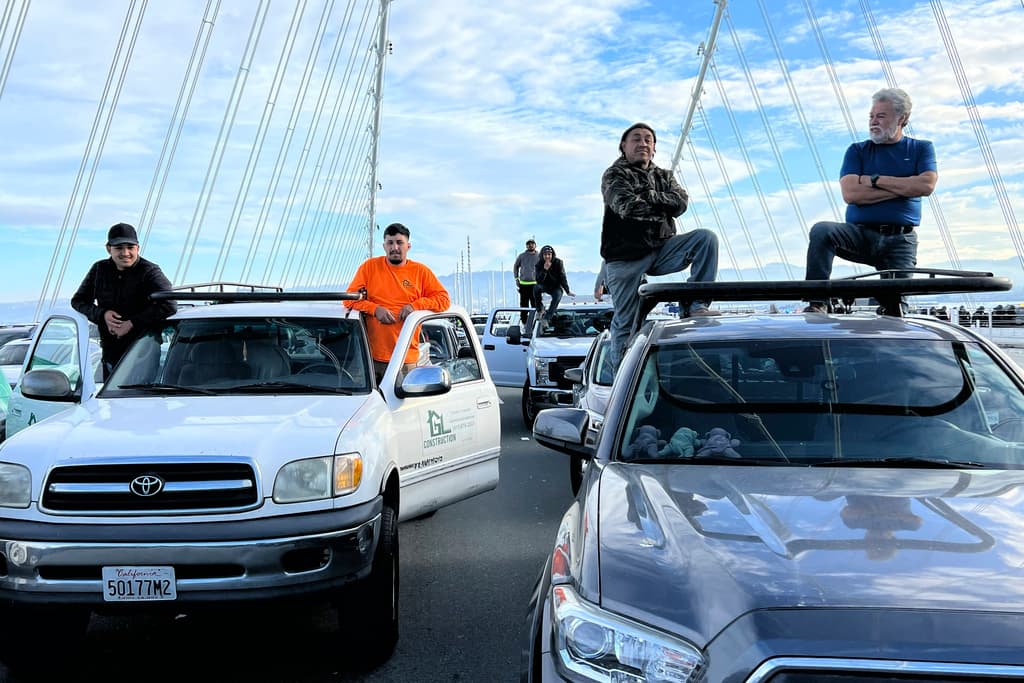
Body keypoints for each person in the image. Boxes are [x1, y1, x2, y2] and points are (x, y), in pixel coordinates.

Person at [804, 88, 937, 312]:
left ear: (902, 119)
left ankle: (891, 308)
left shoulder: (921, 148)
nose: (873, 122)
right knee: (822, 231)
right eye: (871, 116)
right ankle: (817, 303)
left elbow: (926, 186)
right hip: (860, 234)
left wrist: (874, 180)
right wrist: (905, 187)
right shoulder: (857, 151)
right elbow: (851, 194)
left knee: (896, 310)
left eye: (881, 116)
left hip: (900, 241)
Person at [601, 122, 719, 367]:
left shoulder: (664, 175)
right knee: (626, 323)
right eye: (636, 139)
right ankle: (620, 381)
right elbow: (627, 207)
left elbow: (682, 203)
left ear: (654, 148)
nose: (642, 143)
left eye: (648, 139)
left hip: (662, 249)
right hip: (626, 257)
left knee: (705, 239)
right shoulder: (614, 175)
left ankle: (696, 305)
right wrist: (664, 208)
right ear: (623, 146)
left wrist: (651, 199)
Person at [345, 222, 450, 384]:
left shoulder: (421, 272)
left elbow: (443, 300)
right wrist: (374, 309)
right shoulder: (369, 267)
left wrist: (415, 306)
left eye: (399, 242)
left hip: (406, 360)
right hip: (370, 359)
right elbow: (348, 300)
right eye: (390, 243)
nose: (395, 247)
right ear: (384, 246)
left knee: (405, 408)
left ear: (408, 246)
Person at [71, 222, 177, 379]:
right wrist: (102, 315)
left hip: (143, 353)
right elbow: (78, 301)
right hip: (110, 354)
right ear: (109, 249)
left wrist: (131, 324)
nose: (125, 253)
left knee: (138, 402)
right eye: (119, 248)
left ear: (138, 248)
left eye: (130, 247)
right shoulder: (99, 269)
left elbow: (170, 304)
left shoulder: (150, 272)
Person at [533, 245, 574, 322]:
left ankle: (546, 318)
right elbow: (538, 280)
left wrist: (567, 291)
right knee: (536, 288)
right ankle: (540, 309)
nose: (547, 256)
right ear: (542, 255)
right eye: (545, 255)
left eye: (549, 254)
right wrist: (545, 270)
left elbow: (563, 277)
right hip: (544, 285)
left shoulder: (558, 262)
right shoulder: (539, 264)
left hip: (556, 287)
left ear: (552, 255)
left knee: (558, 295)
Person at [513, 239, 540, 323]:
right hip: (523, 284)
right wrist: (516, 278)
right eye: (528, 244)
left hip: (535, 284)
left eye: (532, 244)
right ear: (526, 246)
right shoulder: (521, 256)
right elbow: (515, 267)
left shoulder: (539, 256)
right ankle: (524, 322)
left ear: (535, 245)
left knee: (535, 304)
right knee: (524, 304)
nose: (530, 245)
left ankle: (536, 321)